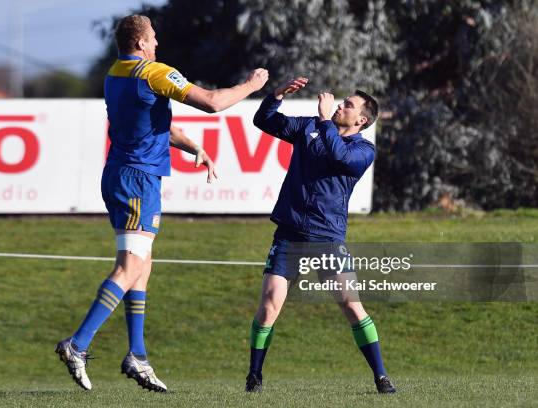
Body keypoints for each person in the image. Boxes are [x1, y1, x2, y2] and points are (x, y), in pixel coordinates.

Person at [55, 14, 268, 392]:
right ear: (140, 44)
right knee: (128, 267)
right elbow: (214, 103)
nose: (157, 43)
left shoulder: (116, 73)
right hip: (138, 179)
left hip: (121, 173)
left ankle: (137, 354)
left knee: (142, 266)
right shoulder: (154, 72)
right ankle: (78, 343)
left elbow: (156, 122)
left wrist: (194, 147)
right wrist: (252, 84)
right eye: (152, 38)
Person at [244, 77, 396, 394]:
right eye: (341, 102)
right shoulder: (309, 127)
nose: (340, 104)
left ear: (362, 120)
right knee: (270, 304)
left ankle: (381, 377)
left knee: (352, 307)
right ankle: (254, 376)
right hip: (289, 233)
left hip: (327, 237)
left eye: (348, 105)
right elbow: (264, 120)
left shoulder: (363, 150)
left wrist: (326, 119)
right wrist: (276, 95)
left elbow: (339, 156)